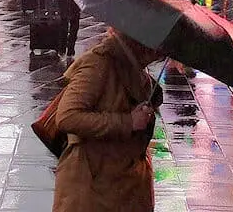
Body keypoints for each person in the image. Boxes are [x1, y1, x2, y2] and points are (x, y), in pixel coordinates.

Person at [51, 28, 165, 211]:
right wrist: (128, 121)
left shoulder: (135, 67)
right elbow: (67, 116)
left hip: (125, 187)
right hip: (92, 185)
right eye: (157, 46)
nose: (158, 53)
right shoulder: (99, 63)